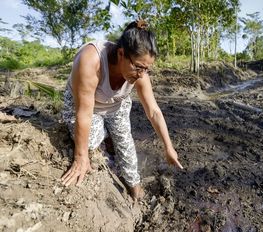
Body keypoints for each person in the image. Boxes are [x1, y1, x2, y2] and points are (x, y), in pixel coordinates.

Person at [60, 19, 183, 200]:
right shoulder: (91, 60)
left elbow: (154, 111)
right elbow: (84, 113)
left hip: (116, 105)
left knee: (126, 145)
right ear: (121, 53)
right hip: (86, 106)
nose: (141, 75)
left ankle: (134, 186)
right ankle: (106, 142)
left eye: (146, 70)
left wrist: (168, 147)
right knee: (91, 143)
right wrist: (80, 157)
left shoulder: (140, 71)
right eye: (138, 67)